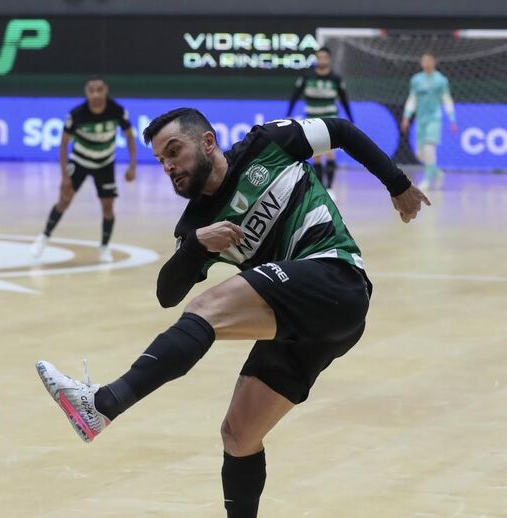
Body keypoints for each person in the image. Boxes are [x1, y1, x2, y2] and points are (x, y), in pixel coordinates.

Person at [36, 108, 430, 517]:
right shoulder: (197, 222)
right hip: (303, 326)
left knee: (207, 309)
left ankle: (103, 404)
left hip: (337, 278)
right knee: (239, 434)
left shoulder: (270, 143)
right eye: (162, 160)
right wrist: (195, 245)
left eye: (174, 151)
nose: (169, 166)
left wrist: (398, 184)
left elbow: (341, 130)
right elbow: (166, 294)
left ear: (207, 142)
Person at [31, 77, 138, 263]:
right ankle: (44, 237)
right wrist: (64, 176)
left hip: (105, 163)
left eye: (99, 89)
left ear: (106, 90)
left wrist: (132, 166)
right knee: (64, 200)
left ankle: (104, 246)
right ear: (86, 92)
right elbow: (63, 144)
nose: (95, 94)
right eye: (91, 90)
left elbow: (129, 137)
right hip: (79, 161)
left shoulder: (117, 110)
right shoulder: (77, 114)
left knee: (108, 207)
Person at [286, 47, 353, 198]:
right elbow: (295, 95)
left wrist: (351, 118)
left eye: (324, 57)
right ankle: (322, 187)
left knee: (329, 153)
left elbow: (344, 99)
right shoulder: (307, 77)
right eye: (319, 57)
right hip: (312, 120)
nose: (321, 60)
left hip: (330, 120)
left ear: (329, 59)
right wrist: (288, 113)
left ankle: (330, 187)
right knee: (316, 154)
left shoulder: (335, 78)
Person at [401, 51, 457, 191]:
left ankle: (427, 179)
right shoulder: (416, 80)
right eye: (424, 62)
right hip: (421, 120)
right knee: (420, 154)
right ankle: (436, 172)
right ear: (421, 64)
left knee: (429, 148)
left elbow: (446, 99)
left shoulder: (441, 80)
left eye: (429, 61)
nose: (427, 64)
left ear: (434, 63)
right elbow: (412, 99)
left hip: (434, 118)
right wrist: (406, 116)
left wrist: (452, 119)